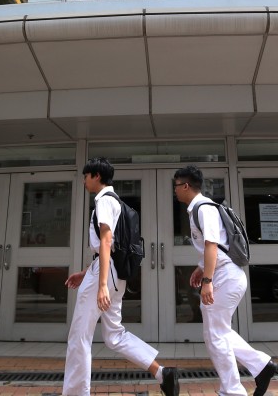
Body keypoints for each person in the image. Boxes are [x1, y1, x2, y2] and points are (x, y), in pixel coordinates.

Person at [63, 158, 179, 396]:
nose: (84, 181)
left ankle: (75, 393)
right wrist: (87, 273)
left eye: (86, 176)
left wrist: (101, 283)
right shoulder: (116, 201)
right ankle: (162, 373)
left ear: (96, 176)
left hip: (105, 276)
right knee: (114, 336)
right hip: (115, 274)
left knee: (79, 336)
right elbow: (111, 245)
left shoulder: (104, 200)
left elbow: (106, 241)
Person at [173, 165, 277, 396]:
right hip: (224, 274)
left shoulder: (203, 208)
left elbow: (211, 245)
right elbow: (216, 245)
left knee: (215, 336)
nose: (175, 190)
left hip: (225, 276)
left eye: (176, 186)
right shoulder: (198, 209)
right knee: (218, 332)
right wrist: (201, 269)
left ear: (186, 186)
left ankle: (233, 391)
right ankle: (261, 366)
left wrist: (207, 280)